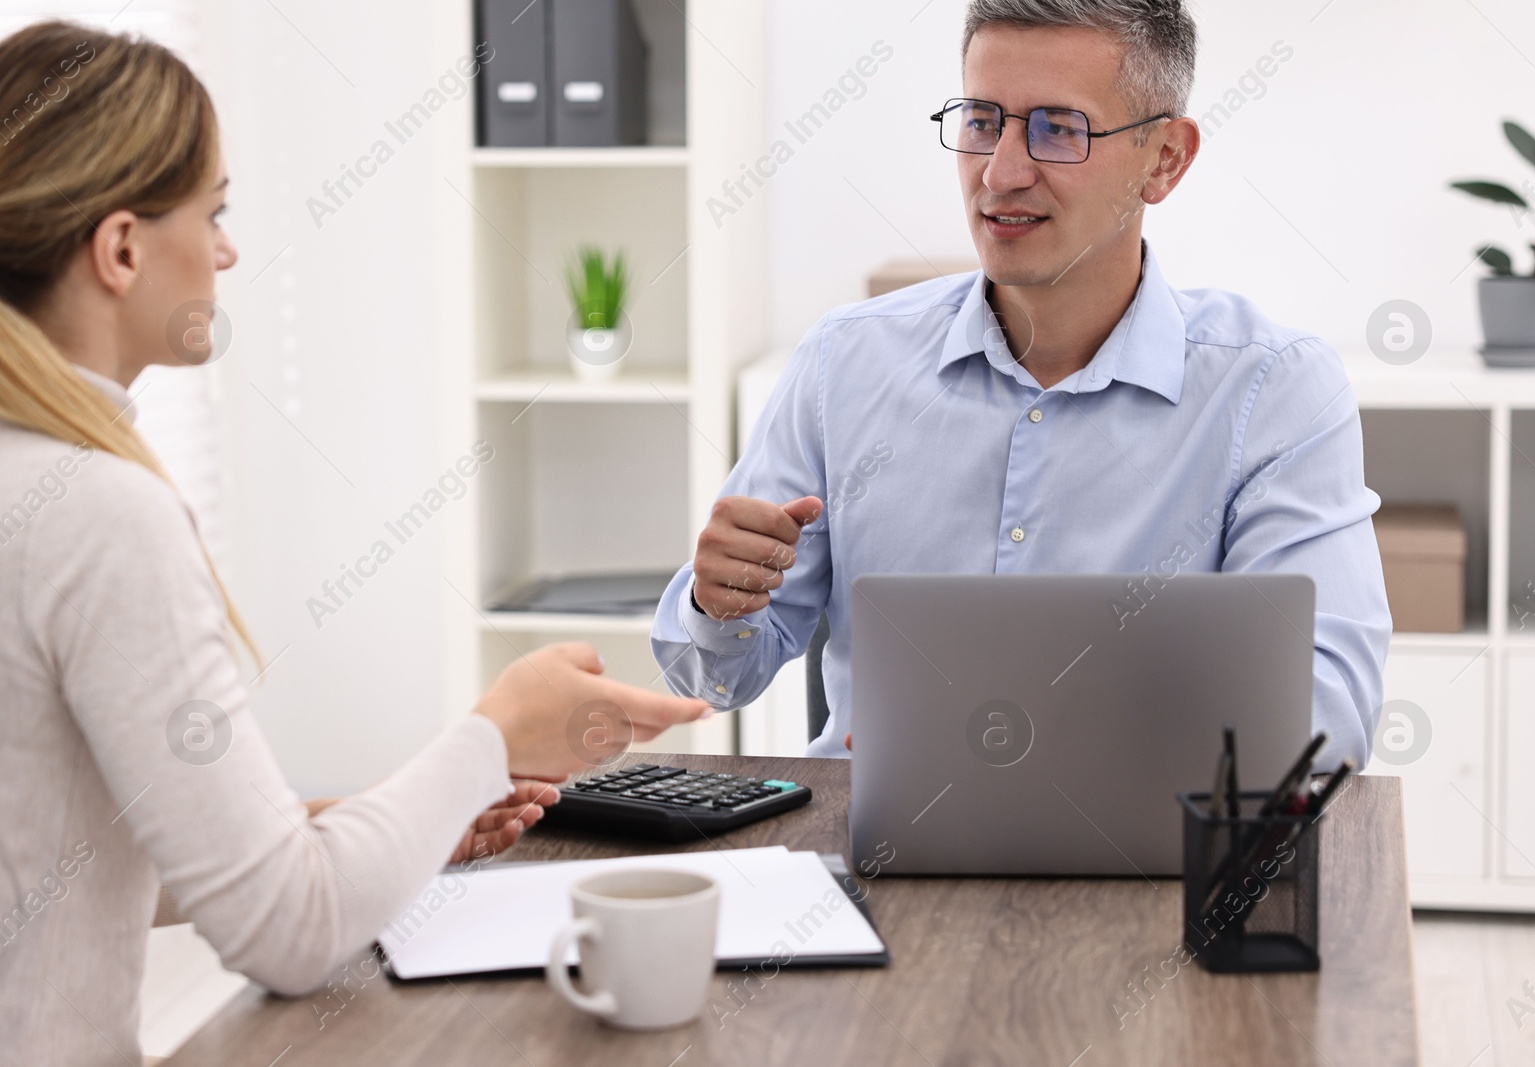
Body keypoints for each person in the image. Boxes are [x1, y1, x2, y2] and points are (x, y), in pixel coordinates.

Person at [0, 21, 709, 1066]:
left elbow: (46, 864)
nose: (230, 250)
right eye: (216, 211)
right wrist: (495, 734)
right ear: (120, 249)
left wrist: (393, 821)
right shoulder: (103, 514)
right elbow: (288, 930)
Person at [652, 0, 1391, 769]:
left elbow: (1324, 718)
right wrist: (718, 603)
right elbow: (713, 677)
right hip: (866, 850)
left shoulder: (1272, 391)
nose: (1001, 173)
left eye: (1058, 129)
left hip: (1142, 858)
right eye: (981, 121)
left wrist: (1040, 737)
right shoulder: (845, 361)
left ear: (1165, 158)